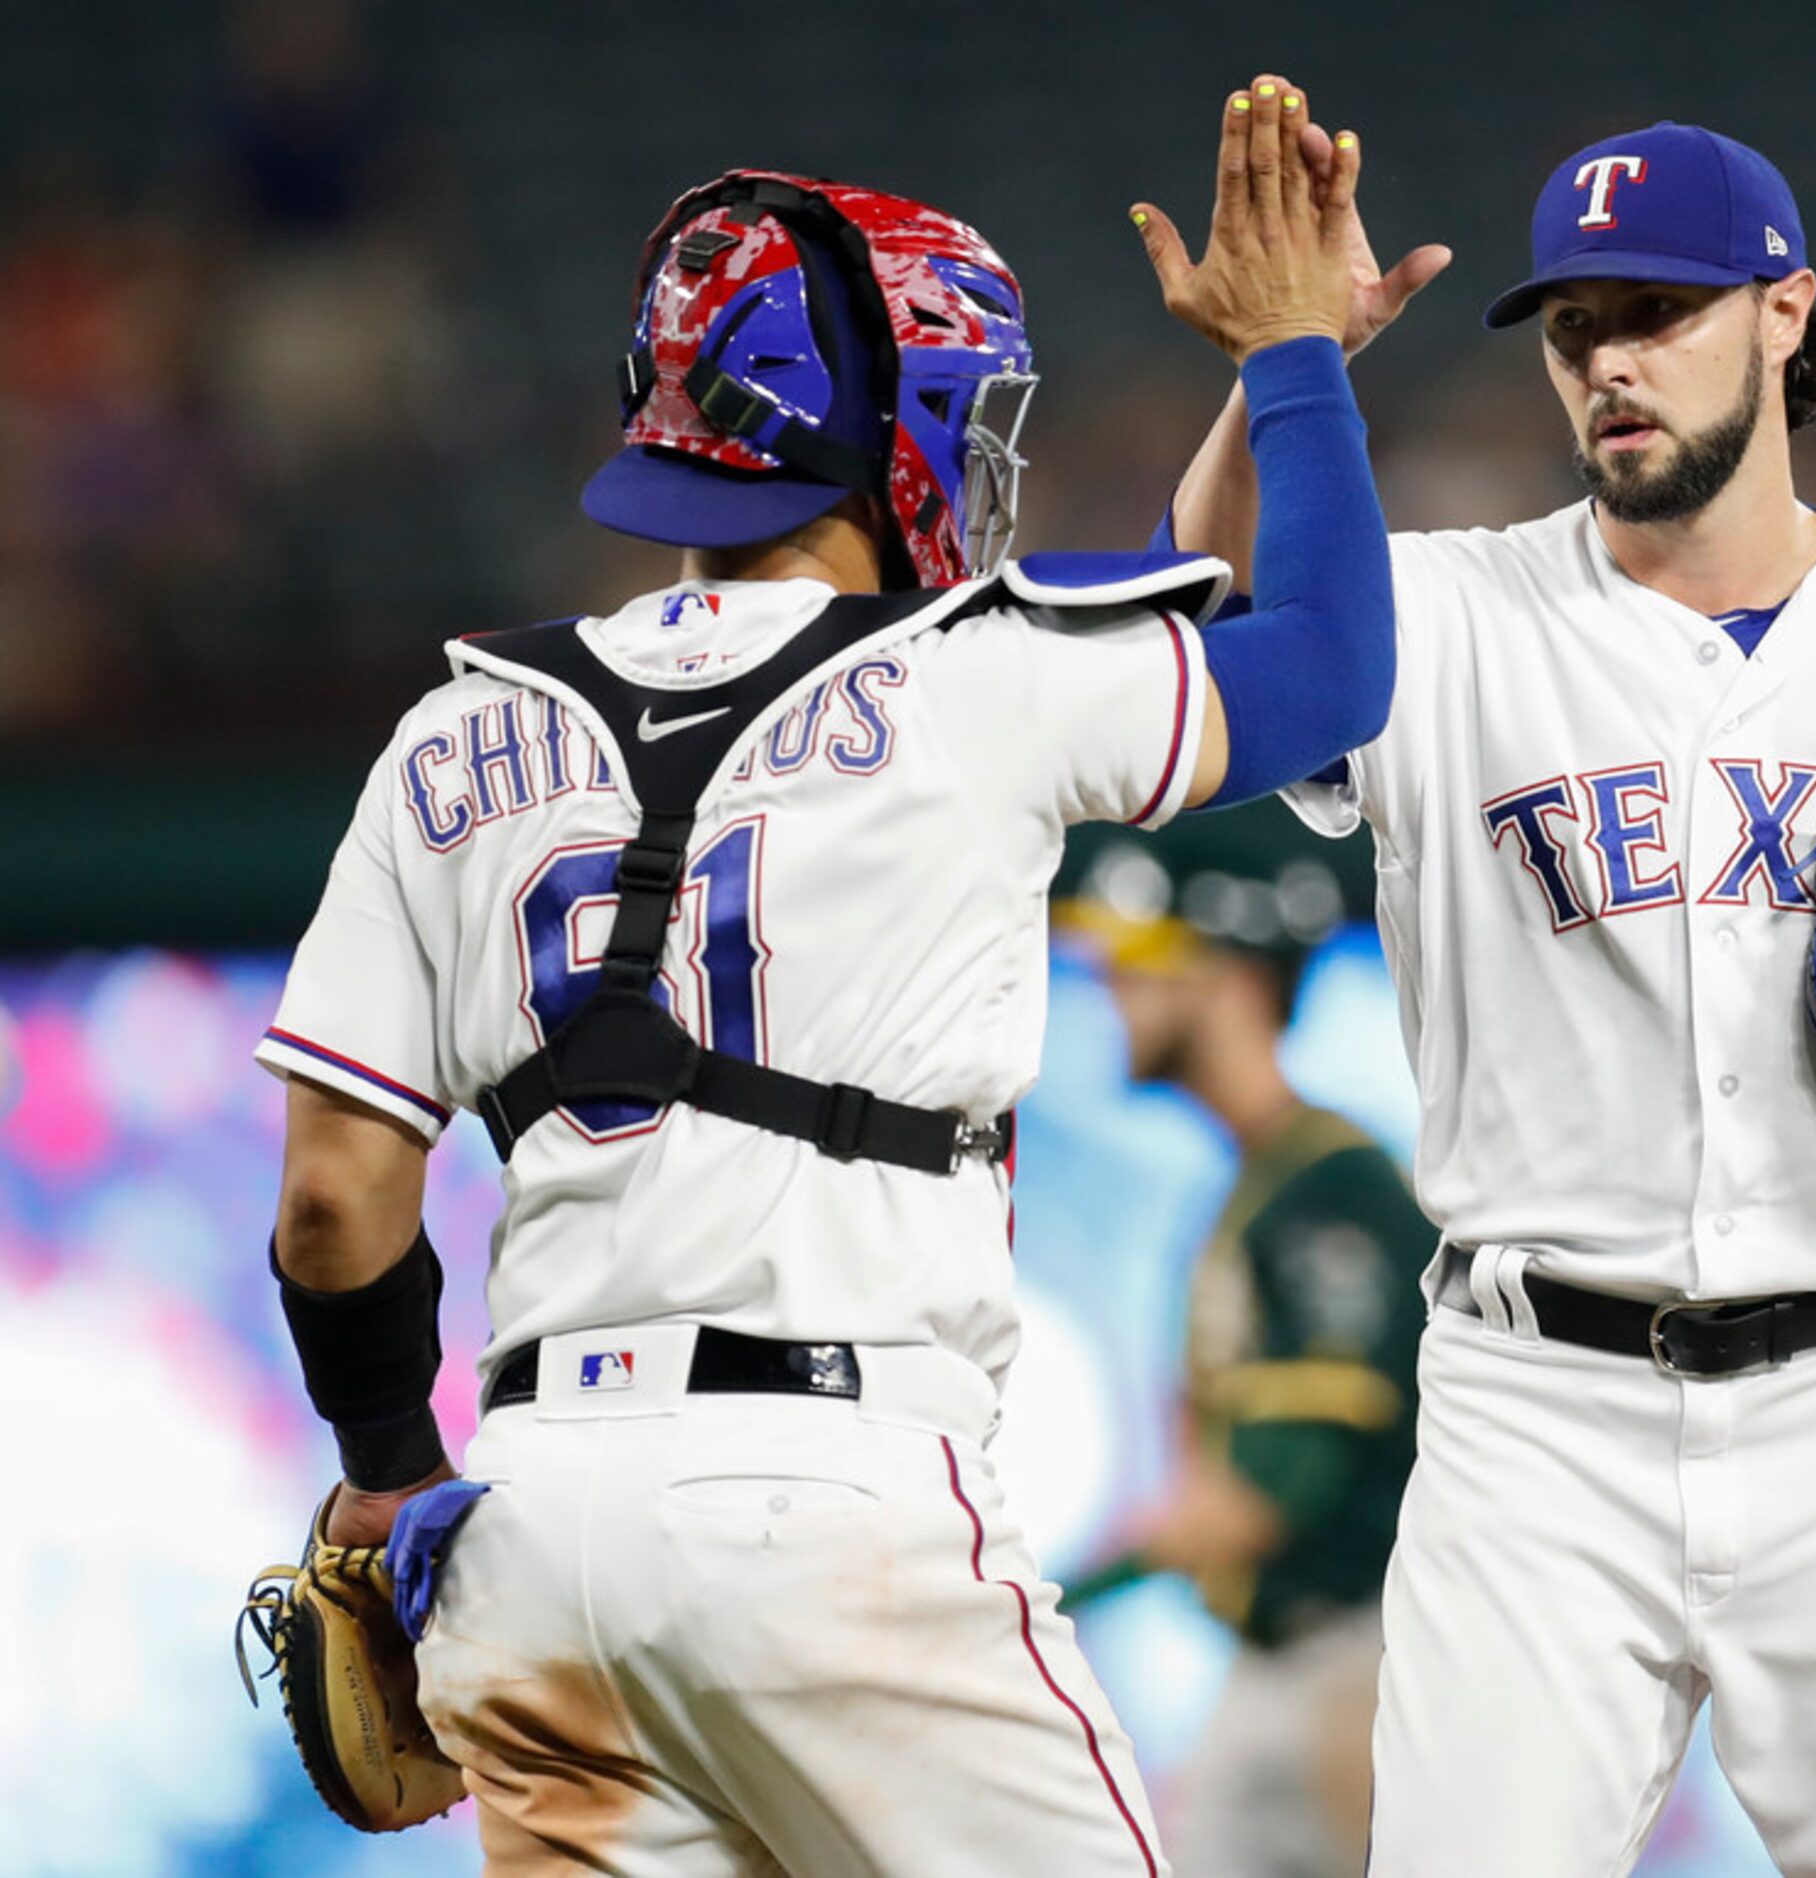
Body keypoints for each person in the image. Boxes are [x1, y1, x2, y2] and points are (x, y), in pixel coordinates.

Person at [252, 78, 1392, 1875]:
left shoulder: (452, 732)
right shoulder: (975, 674)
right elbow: (1327, 665)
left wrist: (393, 1469)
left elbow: (333, 1198)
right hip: (831, 1499)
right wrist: (1295, 360)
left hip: (531, 1523)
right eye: (969, 415)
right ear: (896, 431)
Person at [1146, 110, 1816, 1874]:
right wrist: (1279, 365)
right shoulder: (1435, 615)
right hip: (1528, 1414)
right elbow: (1185, 655)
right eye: (1575, 326)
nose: (1609, 362)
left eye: (1657, 310)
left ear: (1783, 310)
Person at [1059, 844, 1432, 1877]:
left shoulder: (1332, 1191)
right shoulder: (1273, 1177)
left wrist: (1041, 1602)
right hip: (1292, 1659)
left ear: (1224, 974)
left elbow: (1274, 1487)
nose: (1107, 987)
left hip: (1353, 1664)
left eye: (1137, 960)